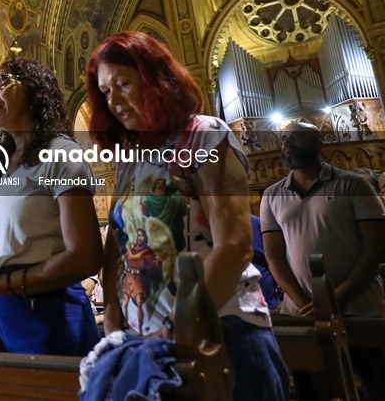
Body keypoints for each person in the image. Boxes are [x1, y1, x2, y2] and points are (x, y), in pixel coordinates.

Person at [87, 31, 288, 401]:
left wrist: (182, 324)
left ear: (154, 79)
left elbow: (234, 245)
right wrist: (114, 313)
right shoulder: (130, 159)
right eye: (105, 91)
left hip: (222, 332)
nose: (113, 100)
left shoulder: (205, 135)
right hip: (147, 343)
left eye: (122, 84)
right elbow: (118, 243)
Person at [0, 59, 102, 355]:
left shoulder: (62, 154)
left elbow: (86, 256)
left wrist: (3, 283)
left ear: (34, 89)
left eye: (1, 84)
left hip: (46, 309)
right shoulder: (1, 166)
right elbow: (1, 240)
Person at [261, 121, 385, 400]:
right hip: (302, 312)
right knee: (312, 389)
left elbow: (376, 248)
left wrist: (334, 297)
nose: (287, 143)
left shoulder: (353, 184)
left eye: (296, 136)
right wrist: (308, 302)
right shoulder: (271, 195)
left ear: (319, 143)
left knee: (376, 382)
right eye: (283, 138)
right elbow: (274, 257)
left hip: (359, 307)